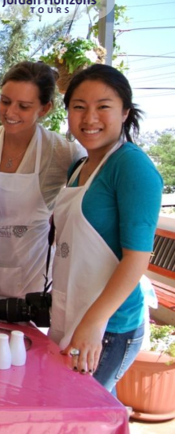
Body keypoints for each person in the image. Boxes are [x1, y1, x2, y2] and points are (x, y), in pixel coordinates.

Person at [50, 64, 162, 394]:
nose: (89, 118)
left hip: (110, 326)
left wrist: (94, 322)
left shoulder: (131, 166)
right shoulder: (79, 166)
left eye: (103, 107)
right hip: (71, 313)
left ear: (125, 111)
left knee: (85, 415)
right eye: (79, 107)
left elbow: (137, 259)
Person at [0, 62, 84, 305]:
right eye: (5, 101)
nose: (10, 113)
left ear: (44, 109)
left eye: (24, 106)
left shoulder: (62, 152)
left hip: (30, 279)